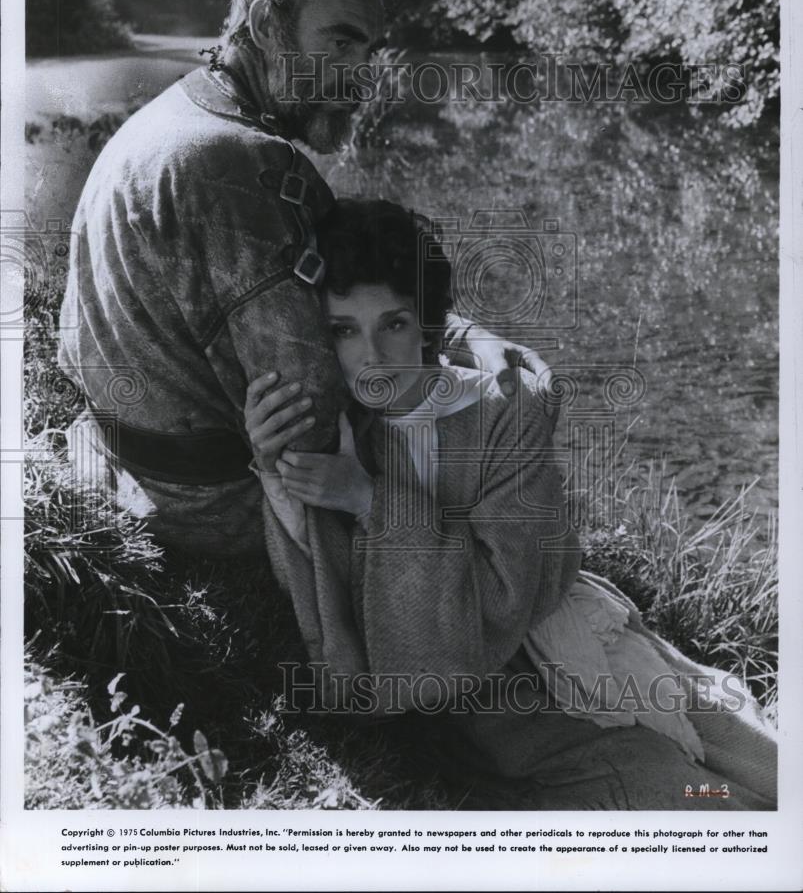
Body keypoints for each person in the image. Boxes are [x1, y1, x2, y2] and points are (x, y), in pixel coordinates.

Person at [244, 198, 778, 811]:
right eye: (343, 330)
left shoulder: (502, 411)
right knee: (687, 803)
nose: (371, 357)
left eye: (393, 324)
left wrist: (369, 500)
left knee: (763, 769)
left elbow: (506, 594)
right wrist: (273, 465)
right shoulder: (337, 425)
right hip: (478, 705)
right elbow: (322, 590)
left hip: (551, 641)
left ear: (426, 326)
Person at [58, 0, 549, 563]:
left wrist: (461, 335)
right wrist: (484, 412)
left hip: (123, 461)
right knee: (502, 444)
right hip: (215, 508)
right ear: (268, 26)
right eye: (340, 43)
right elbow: (312, 416)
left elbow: (351, 285)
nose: (361, 76)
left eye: (368, 51)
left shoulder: (174, 114)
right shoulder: (242, 162)